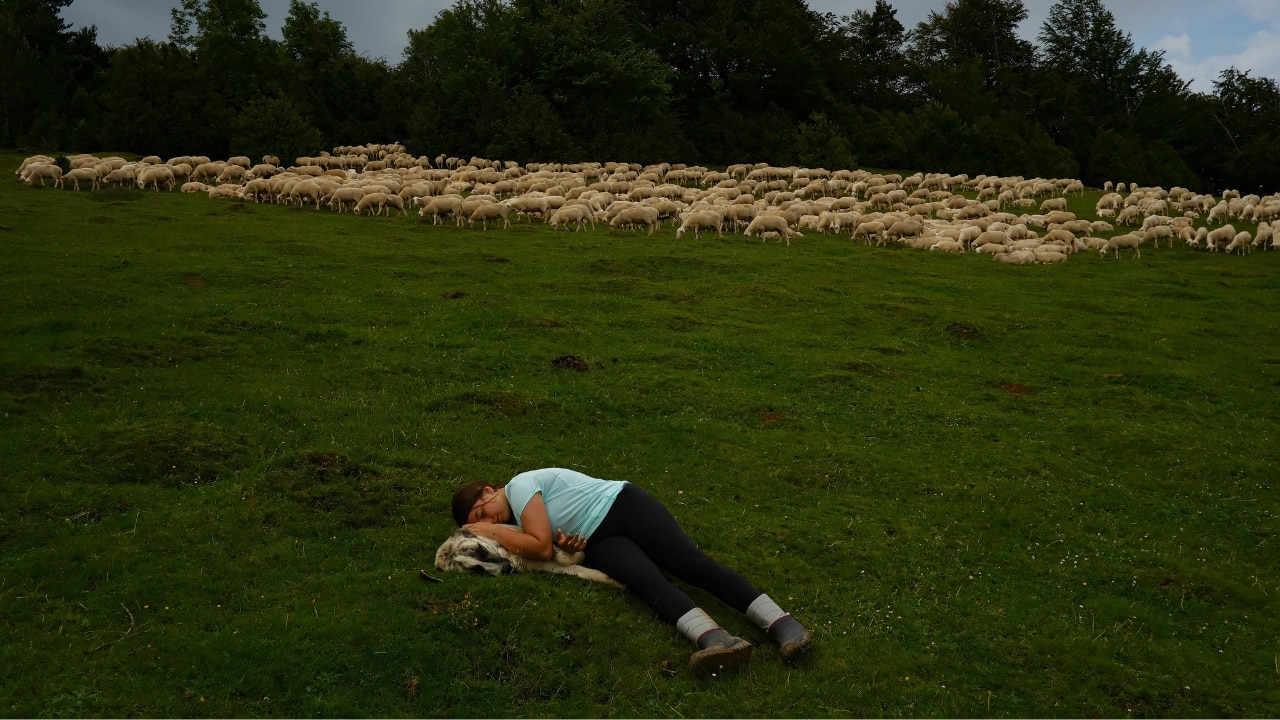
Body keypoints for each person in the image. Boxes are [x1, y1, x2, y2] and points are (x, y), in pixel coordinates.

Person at [451, 467, 812, 674]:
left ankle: (785, 626)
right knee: (646, 583)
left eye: (482, 514)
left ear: (486, 491)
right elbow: (552, 547)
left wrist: (493, 531)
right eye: (479, 524)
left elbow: (541, 546)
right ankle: (716, 641)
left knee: (691, 565)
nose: (488, 521)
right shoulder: (513, 522)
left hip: (622, 506)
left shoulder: (519, 485)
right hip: (598, 541)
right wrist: (569, 548)